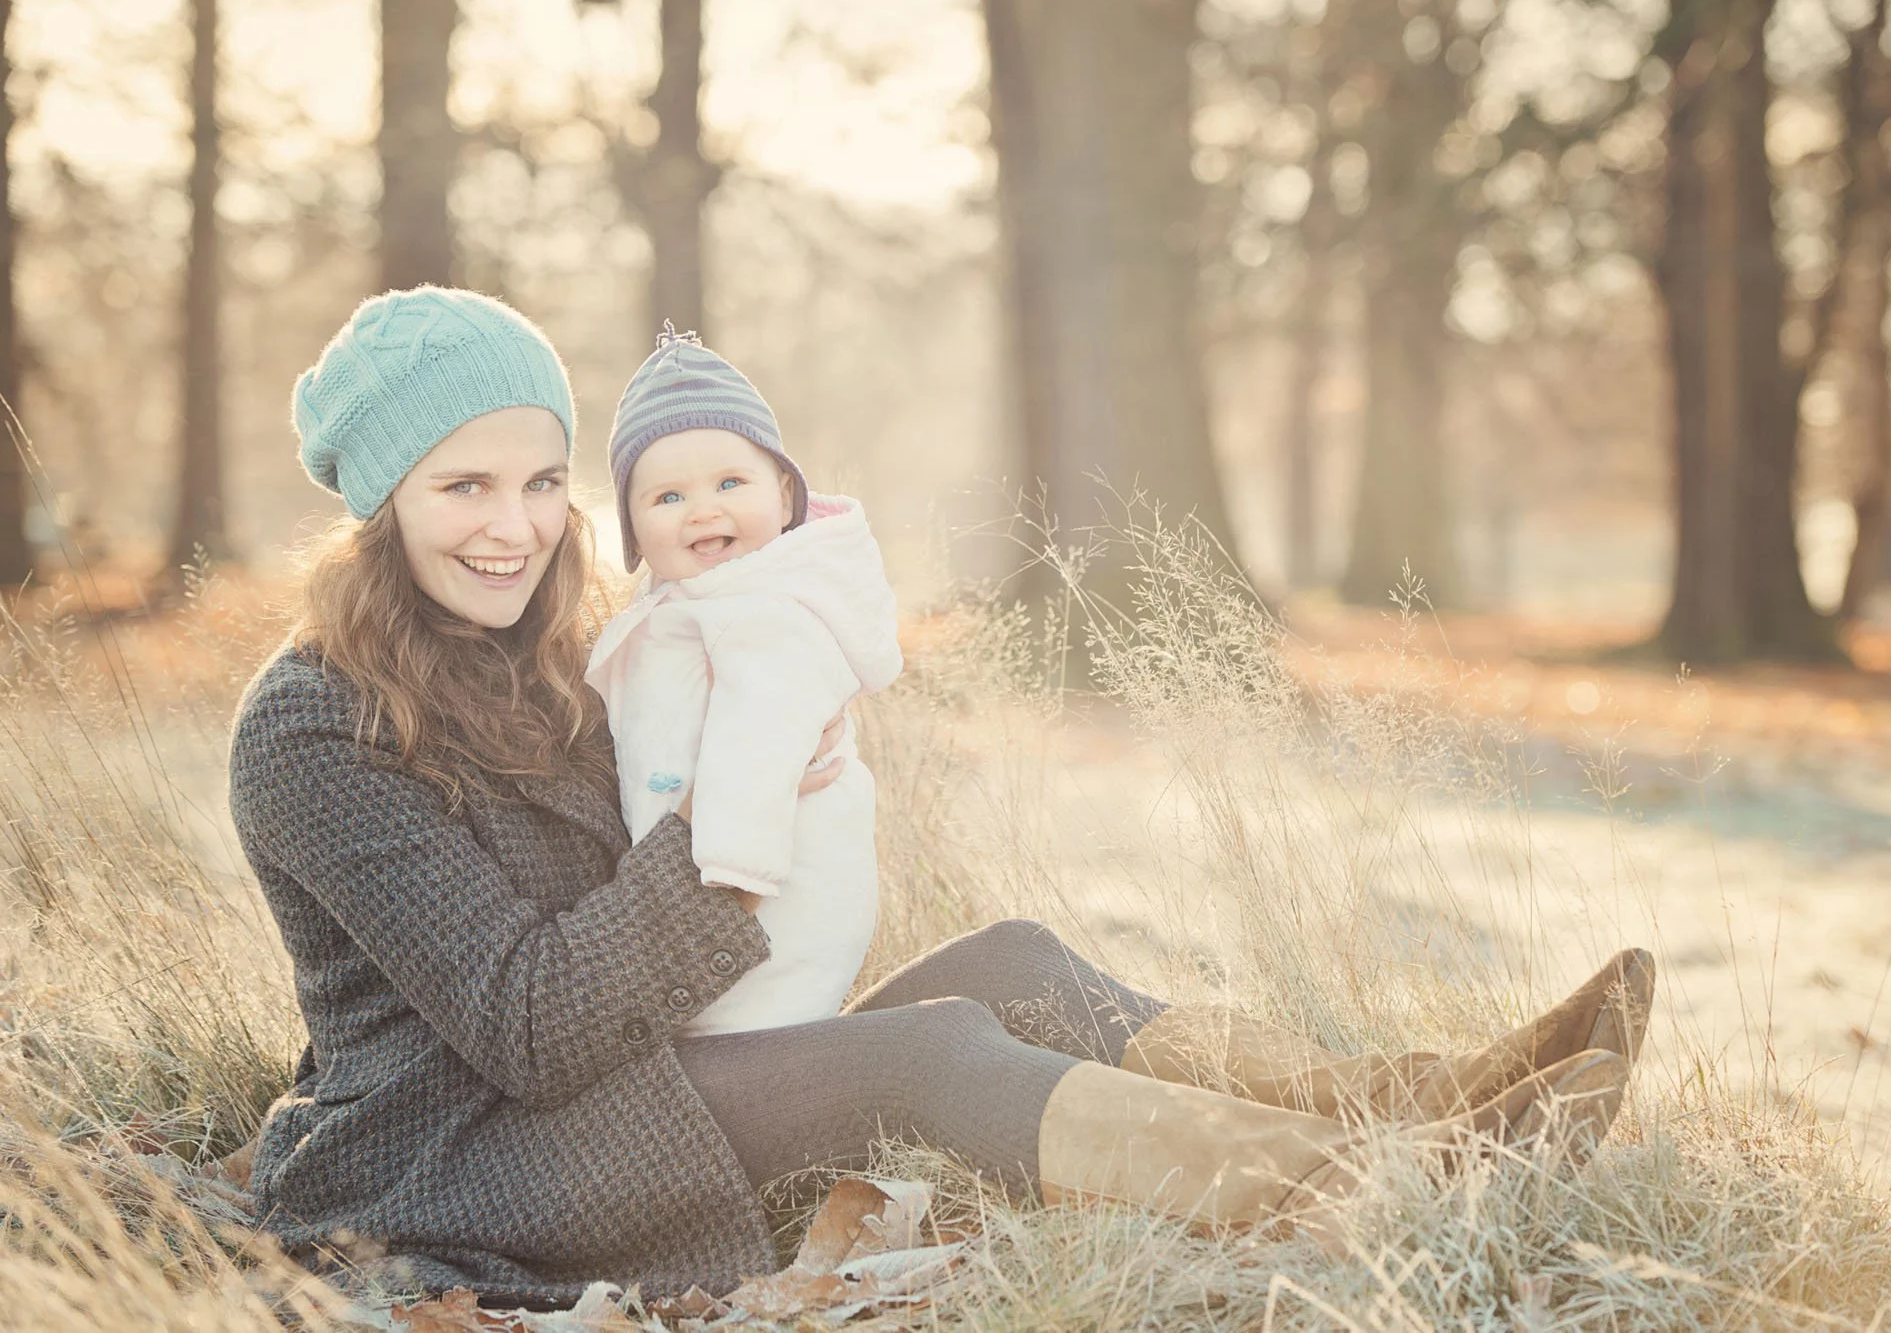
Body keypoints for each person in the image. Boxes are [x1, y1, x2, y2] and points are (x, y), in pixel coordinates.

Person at [231, 285, 1653, 1309]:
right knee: (927, 1049)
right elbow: (530, 1024)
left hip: (633, 1064)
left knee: (1014, 957)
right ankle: (1395, 1182)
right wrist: (738, 837)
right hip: (467, 1153)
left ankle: (1432, 1093)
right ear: (380, 505)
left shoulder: (553, 654)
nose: (515, 524)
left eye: (542, 480)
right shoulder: (309, 724)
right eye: (461, 486)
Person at [584, 326, 901, 1036]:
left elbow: (754, 753)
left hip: (760, 899)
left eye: (731, 482)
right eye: (667, 496)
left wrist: (726, 888)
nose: (704, 509)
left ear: (785, 493)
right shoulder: (684, 603)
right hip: (703, 896)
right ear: (632, 529)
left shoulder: (766, 614)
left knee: (751, 1022)